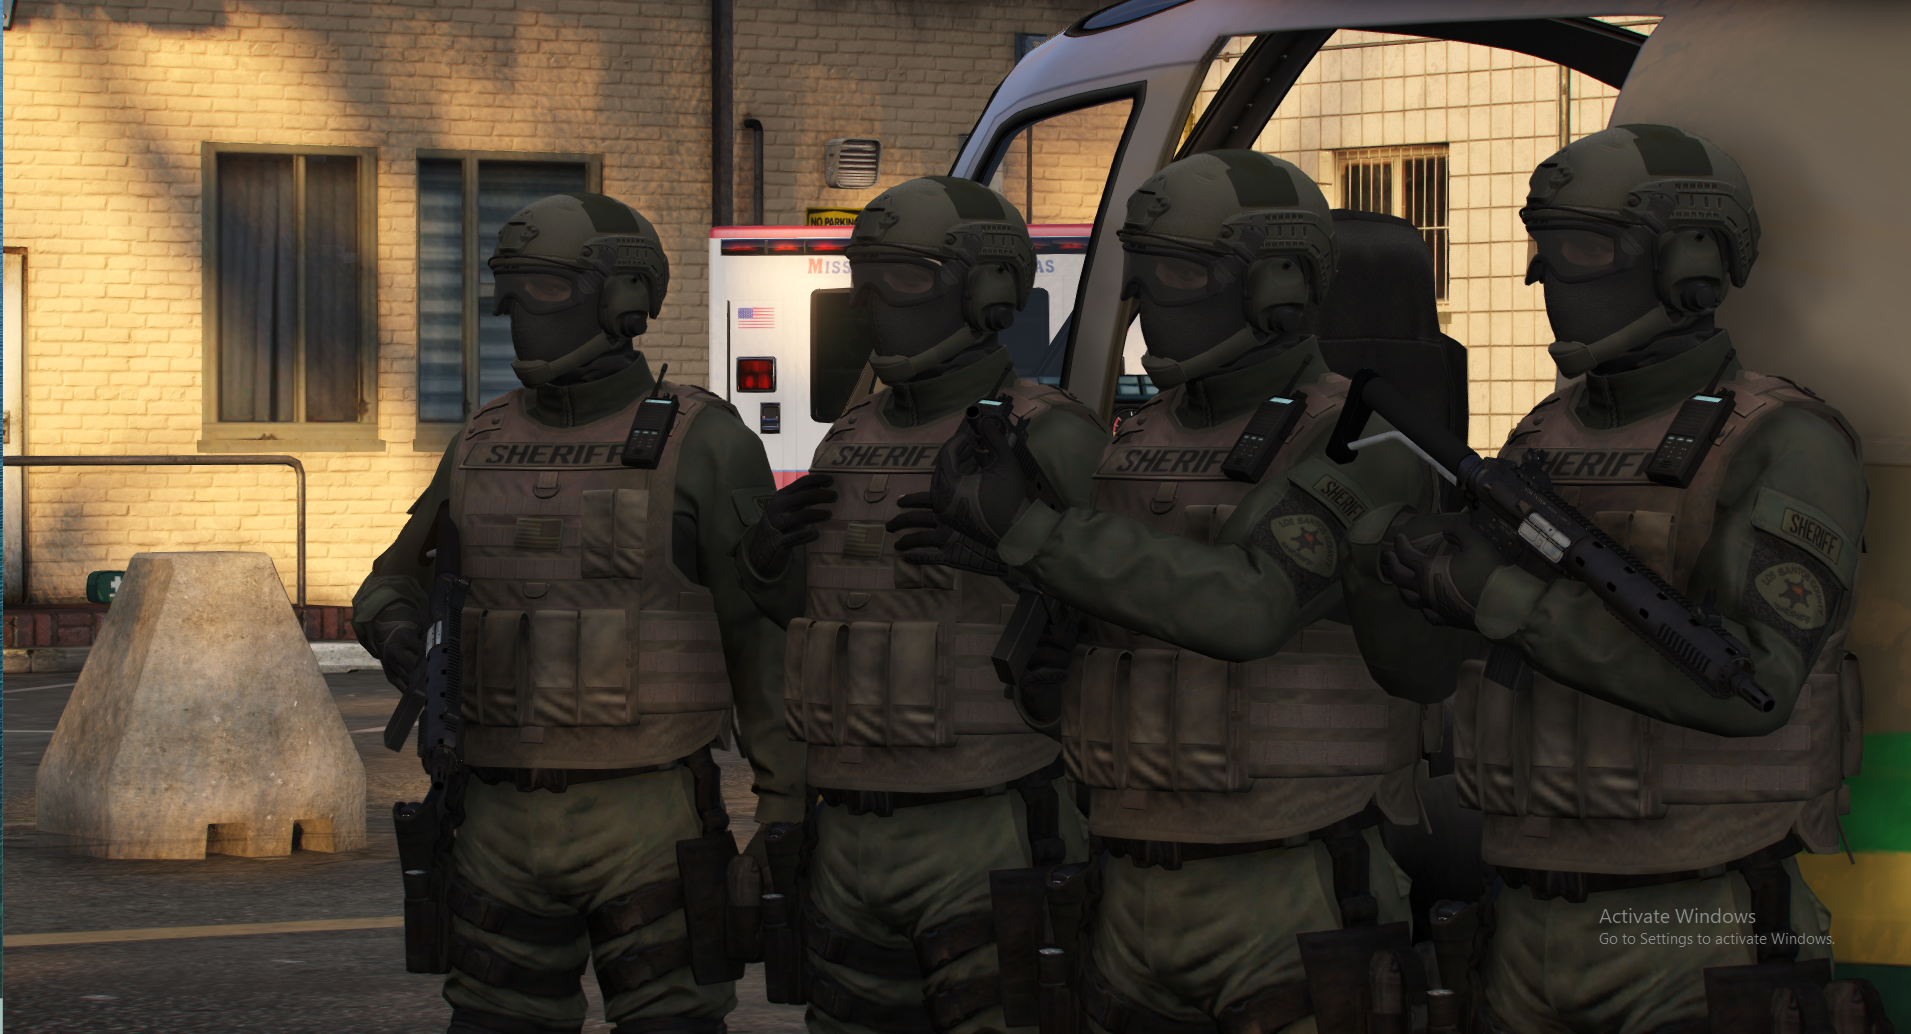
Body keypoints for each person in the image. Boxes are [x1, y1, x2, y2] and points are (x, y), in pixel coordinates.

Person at [1349, 124, 1885, 1032]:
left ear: (1691, 263)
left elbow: (1754, 686)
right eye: (1543, 246)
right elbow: (1431, 677)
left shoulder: (1783, 441)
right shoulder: (1540, 437)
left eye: (1585, 249)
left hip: (1696, 923)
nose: (1547, 277)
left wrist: (1502, 598)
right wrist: (1400, 572)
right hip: (1519, 922)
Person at [926, 151, 1443, 1033]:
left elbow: (1251, 607)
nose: (1144, 300)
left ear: (1278, 282)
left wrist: (1033, 533)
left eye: (1177, 271)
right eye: (1140, 271)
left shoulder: (1362, 437)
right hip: (1126, 887)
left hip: (1291, 887)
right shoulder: (1136, 438)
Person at [352, 191, 805, 1034]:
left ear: (623, 299)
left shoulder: (703, 442)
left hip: (648, 814)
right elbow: (391, 581)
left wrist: (784, 818)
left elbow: (763, 646)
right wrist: (396, 630)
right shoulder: (481, 442)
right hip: (493, 815)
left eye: (548, 287)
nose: (520, 311)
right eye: (510, 287)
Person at [735, 176, 1107, 1034]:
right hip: (848, 834)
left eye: (901, 277)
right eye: (860, 276)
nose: (868, 301)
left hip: (991, 824)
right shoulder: (849, 438)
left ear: (988, 292)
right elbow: (822, 618)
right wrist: (766, 561)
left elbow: (1123, 623)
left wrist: (1013, 561)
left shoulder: (1049, 435)